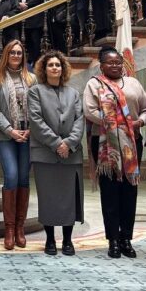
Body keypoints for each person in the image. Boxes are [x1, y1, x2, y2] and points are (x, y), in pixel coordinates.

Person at [83, 47, 146, 259]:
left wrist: (140, 122)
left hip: (132, 142)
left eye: (118, 62)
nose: (115, 66)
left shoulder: (133, 83)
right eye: (110, 63)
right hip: (104, 143)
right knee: (110, 192)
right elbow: (89, 111)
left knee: (130, 191)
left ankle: (126, 238)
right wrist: (115, 125)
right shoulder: (94, 84)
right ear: (101, 65)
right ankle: (113, 240)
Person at [28, 51, 84, 256]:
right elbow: (35, 121)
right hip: (44, 153)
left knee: (69, 198)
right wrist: (56, 143)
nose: (54, 68)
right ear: (44, 69)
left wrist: (68, 143)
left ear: (63, 69)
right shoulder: (34, 92)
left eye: (58, 65)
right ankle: (50, 239)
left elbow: (80, 121)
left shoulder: (74, 93)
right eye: (50, 65)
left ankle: (68, 240)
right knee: (48, 198)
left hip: (71, 154)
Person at [0, 41, 35, 250]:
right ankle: (9, 228)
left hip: (28, 134)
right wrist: (10, 130)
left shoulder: (31, 78)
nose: (16, 55)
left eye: (19, 52)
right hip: (6, 134)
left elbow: (37, 106)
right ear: (6, 55)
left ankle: (20, 227)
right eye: (13, 52)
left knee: (24, 178)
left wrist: (31, 129)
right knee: (11, 176)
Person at [19, 0, 45, 64]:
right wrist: (19, 4)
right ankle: (29, 61)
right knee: (27, 41)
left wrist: (27, 5)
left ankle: (36, 62)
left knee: (35, 41)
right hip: (23, 16)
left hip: (35, 17)